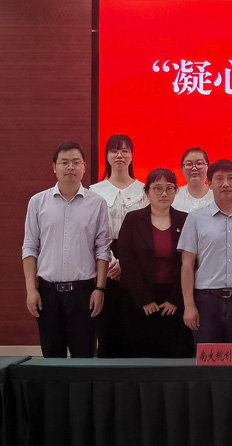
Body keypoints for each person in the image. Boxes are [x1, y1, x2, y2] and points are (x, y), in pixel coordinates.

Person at [22, 141, 112, 358]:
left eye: (75, 162)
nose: (70, 167)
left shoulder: (97, 203)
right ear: (54, 167)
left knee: (83, 358)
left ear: (84, 166)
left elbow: (102, 249)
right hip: (47, 293)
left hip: (84, 293)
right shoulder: (37, 202)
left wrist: (99, 289)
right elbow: (30, 246)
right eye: (64, 162)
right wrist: (31, 290)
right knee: (52, 359)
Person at [179, 160, 232, 356]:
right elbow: (187, 264)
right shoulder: (195, 219)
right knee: (207, 359)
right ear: (209, 184)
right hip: (206, 301)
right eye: (219, 179)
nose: (225, 184)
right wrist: (189, 305)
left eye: (231, 178)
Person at [116, 168, 192, 357]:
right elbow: (127, 260)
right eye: (157, 188)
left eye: (169, 188)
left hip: (174, 298)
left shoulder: (186, 220)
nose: (164, 193)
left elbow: (190, 263)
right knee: (140, 353)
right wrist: (144, 300)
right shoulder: (133, 220)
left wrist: (175, 299)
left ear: (176, 191)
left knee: (175, 353)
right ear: (147, 192)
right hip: (138, 298)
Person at [89, 134, 147, 357]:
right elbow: (93, 233)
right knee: (107, 326)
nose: (119, 155)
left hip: (137, 260)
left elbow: (147, 230)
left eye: (124, 150)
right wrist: (111, 260)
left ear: (132, 155)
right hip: (104, 260)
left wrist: (126, 262)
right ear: (106, 156)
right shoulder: (94, 191)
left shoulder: (144, 190)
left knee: (135, 325)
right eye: (114, 151)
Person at [172, 147, 214, 213]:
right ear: (182, 168)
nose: (194, 168)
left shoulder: (217, 196)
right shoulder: (174, 196)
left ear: (208, 167)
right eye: (189, 164)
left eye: (199, 163)